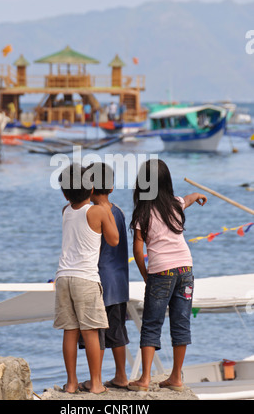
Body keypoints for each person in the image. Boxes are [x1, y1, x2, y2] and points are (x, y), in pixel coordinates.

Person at [128, 159, 207, 392]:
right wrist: (198, 194)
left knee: (152, 324)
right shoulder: (175, 204)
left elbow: (137, 250)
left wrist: (145, 274)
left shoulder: (143, 212)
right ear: (167, 183)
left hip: (160, 271)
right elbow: (189, 198)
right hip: (186, 270)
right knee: (181, 322)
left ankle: (144, 379)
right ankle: (176, 378)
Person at [53, 163, 119, 394]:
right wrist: (105, 207)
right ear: (91, 188)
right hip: (86, 279)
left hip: (63, 277)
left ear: (64, 193)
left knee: (70, 331)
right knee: (91, 331)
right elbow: (114, 239)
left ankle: (71, 383)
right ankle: (97, 384)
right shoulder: (97, 211)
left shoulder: (65, 210)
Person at [78, 162, 129, 391]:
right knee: (117, 332)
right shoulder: (118, 211)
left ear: (88, 187)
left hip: (100, 281)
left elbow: (92, 249)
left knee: (96, 331)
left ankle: (95, 380)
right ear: (112, 187)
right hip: (119, 282)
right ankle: (121, 376)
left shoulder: (91, 213)